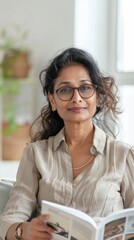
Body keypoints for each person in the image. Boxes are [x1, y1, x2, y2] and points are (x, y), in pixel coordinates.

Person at [0, 47, 134, 240]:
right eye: (65, 90)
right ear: (52, 100)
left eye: (85, 88)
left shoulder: (123, 155)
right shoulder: (35, 154)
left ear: (98, 96)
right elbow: (9, 219)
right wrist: (24, 230)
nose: (76, 98)